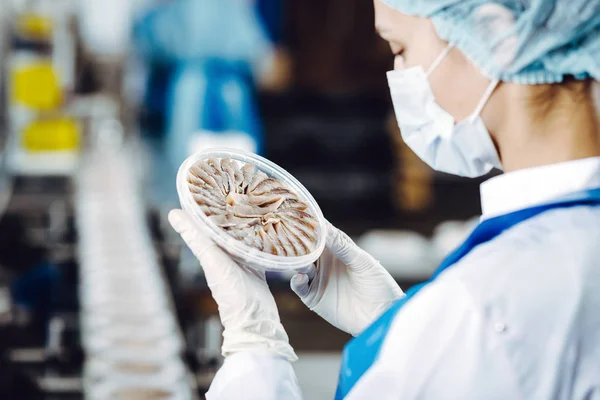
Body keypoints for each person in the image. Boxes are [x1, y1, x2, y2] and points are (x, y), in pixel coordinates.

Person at [168, 0, 600, 398]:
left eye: (401, 47)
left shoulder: (484, 304)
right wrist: (399, 326)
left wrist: (255, 351)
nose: (399, 73)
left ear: (496, 35)